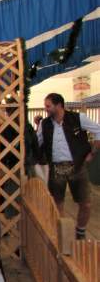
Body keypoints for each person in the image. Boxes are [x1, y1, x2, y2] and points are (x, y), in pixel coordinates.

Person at [37, 93, 100, 239]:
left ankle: (80, 232)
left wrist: (93, 153)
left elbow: (98, 131)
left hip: (77, 166)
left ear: (59, 105)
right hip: (56, 168)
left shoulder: (78, 118)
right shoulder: (44, 124)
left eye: (48, 106)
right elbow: (37, 142)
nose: (45, 109)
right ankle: (63, 235)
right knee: (57, 204)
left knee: (85, 203)